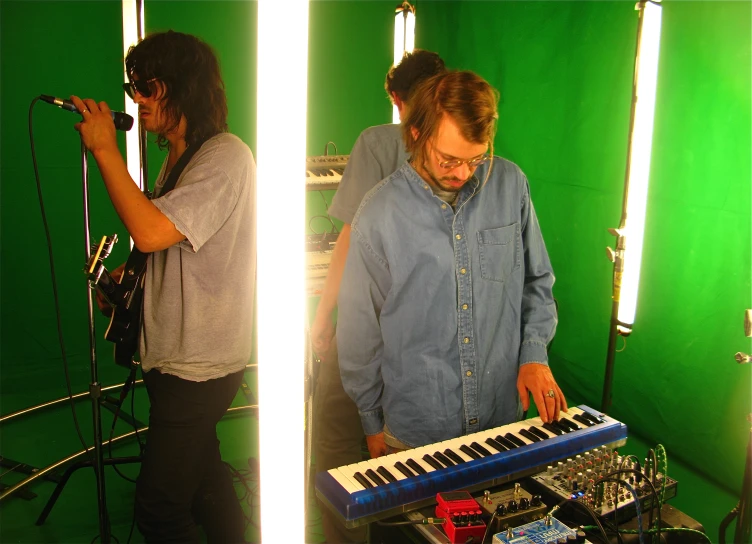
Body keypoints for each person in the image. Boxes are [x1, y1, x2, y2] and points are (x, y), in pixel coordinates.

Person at [72, 30, 253, 544]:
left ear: (182, 86)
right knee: (207, 484)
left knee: (158, 510)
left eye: (147, 87)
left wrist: (107, 150)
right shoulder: (180, 159)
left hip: (200, 365)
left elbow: (151, 232)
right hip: (171, 356)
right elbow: (166, 248)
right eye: (134, 88)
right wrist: (127, 286)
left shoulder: (226, 156)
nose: (138, 100)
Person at [337, 70, 566, 459]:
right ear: (417, 134)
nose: (462, 173)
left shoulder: (511, 186)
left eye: (476, 159)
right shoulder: (378, 214)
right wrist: (371, 421)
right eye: (449, 160)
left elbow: (537, 282)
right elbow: (359, 331)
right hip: (415, 435)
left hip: (501, 427)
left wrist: (533, 353)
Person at [310, 50, 445, 543]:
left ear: (396, 98)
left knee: (336, 448)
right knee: (416, 464)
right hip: (432, 345)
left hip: (369, 332)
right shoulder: (475, 162)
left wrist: (324, 313)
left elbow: (349, 240)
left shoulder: (378, 141)